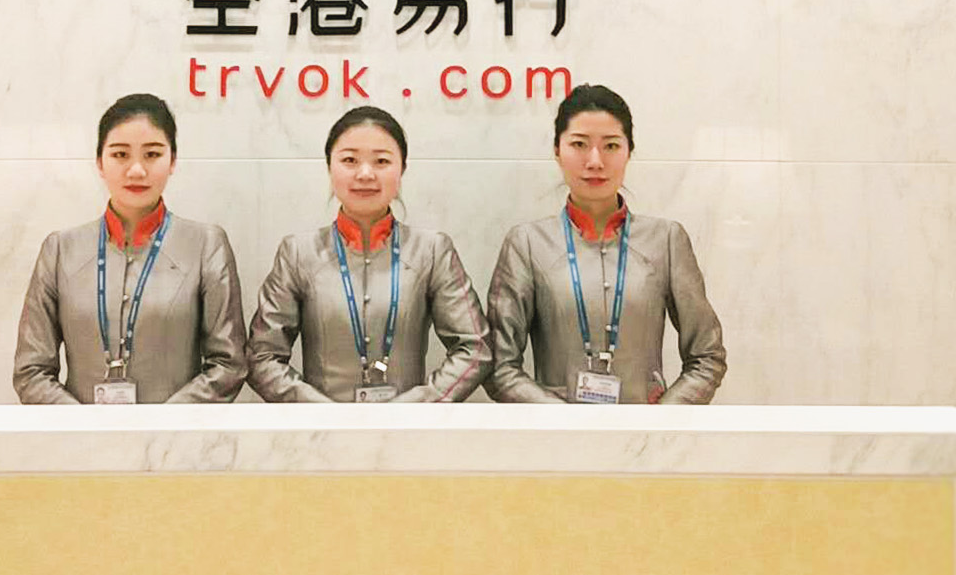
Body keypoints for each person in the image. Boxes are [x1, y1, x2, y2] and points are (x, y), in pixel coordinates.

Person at [486, 85, 726, 404]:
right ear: (557, 150)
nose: (595, 161)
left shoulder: (666, 240)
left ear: (629, 151)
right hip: (556, 431)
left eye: (611, 145)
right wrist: (560, 419)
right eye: (579, 144)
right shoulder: (527, 244)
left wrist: (660, 419)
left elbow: (707, 357)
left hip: (645, 430)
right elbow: (499, 366)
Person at [13, 93, 246, 404]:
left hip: (177, 433)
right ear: (100, 162)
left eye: (152, 154)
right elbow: (31, 371)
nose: (136, 170)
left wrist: (159, 425)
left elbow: (229, 365)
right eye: (120, 154)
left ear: (172, 161)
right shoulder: (60, 250)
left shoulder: (206, 244)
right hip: (79, 433)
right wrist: (84, 424)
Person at [248, 106, 491, 402]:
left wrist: (419, 404)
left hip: (410, 425)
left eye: (382, 161)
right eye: (349, 160)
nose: (365, 174)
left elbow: (475, 348)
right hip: (319, 427)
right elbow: (262, 356)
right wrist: (319, 411)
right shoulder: (298, 253)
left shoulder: (432, 250)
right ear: (330, 167)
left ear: (402, 169)